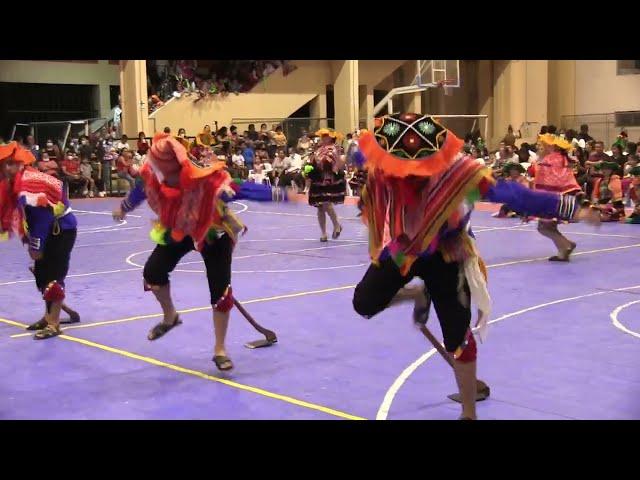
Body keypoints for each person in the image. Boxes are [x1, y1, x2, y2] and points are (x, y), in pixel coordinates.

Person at [352, 113, 599, 420]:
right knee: (364, 302)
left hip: (448, 252)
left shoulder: (461, 174)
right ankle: (416, 294)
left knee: (458, 335)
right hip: (405, 247)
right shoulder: (381, 162)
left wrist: (574, 207)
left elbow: (516, 195)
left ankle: (469, 414)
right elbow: (357, 154)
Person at [112, 132, 246, 371]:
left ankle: (220, 350)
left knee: (220, 290)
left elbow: (239, 189)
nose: (160, 176)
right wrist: (124, 207)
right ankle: (170, 316)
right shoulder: (154, 173)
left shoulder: (205, 178)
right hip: (180, 226)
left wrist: (277, 194)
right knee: (153, 271)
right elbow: (142, 190)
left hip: (211, 226)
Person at [0, 142, 79, 339]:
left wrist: (36, 246)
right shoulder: (14, 182)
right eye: (4, 164)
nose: (7, 168)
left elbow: (42, 219)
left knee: (54, 276)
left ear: (20, 164)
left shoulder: (29, 186)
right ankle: (48, 316)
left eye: (12, 163)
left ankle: (54, 324)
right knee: (43, 275)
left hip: (61, 230)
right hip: (48, 230)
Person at [533, 133, 583, 261]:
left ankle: (567, 244)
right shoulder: (560, 158)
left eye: (542, 145)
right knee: (549, 226)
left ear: (551, 146)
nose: (540, 147)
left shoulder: (551, 159)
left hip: (552, 197)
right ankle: (562, 251)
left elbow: (550, 180)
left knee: (543, 227)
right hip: (562, 196)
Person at [304, 128, 345, 242]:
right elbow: (312, 161)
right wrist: (309, 169)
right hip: (317, 179)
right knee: (320, 207)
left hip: (328, 178)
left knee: (327, 204)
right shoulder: (317, 149)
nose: (322, 138)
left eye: (325, 136)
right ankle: (323, 233)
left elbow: (337, 164)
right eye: (322, 136)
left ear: (330, 137)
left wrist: (329, 163)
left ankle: (337, 225)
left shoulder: (336, 148)